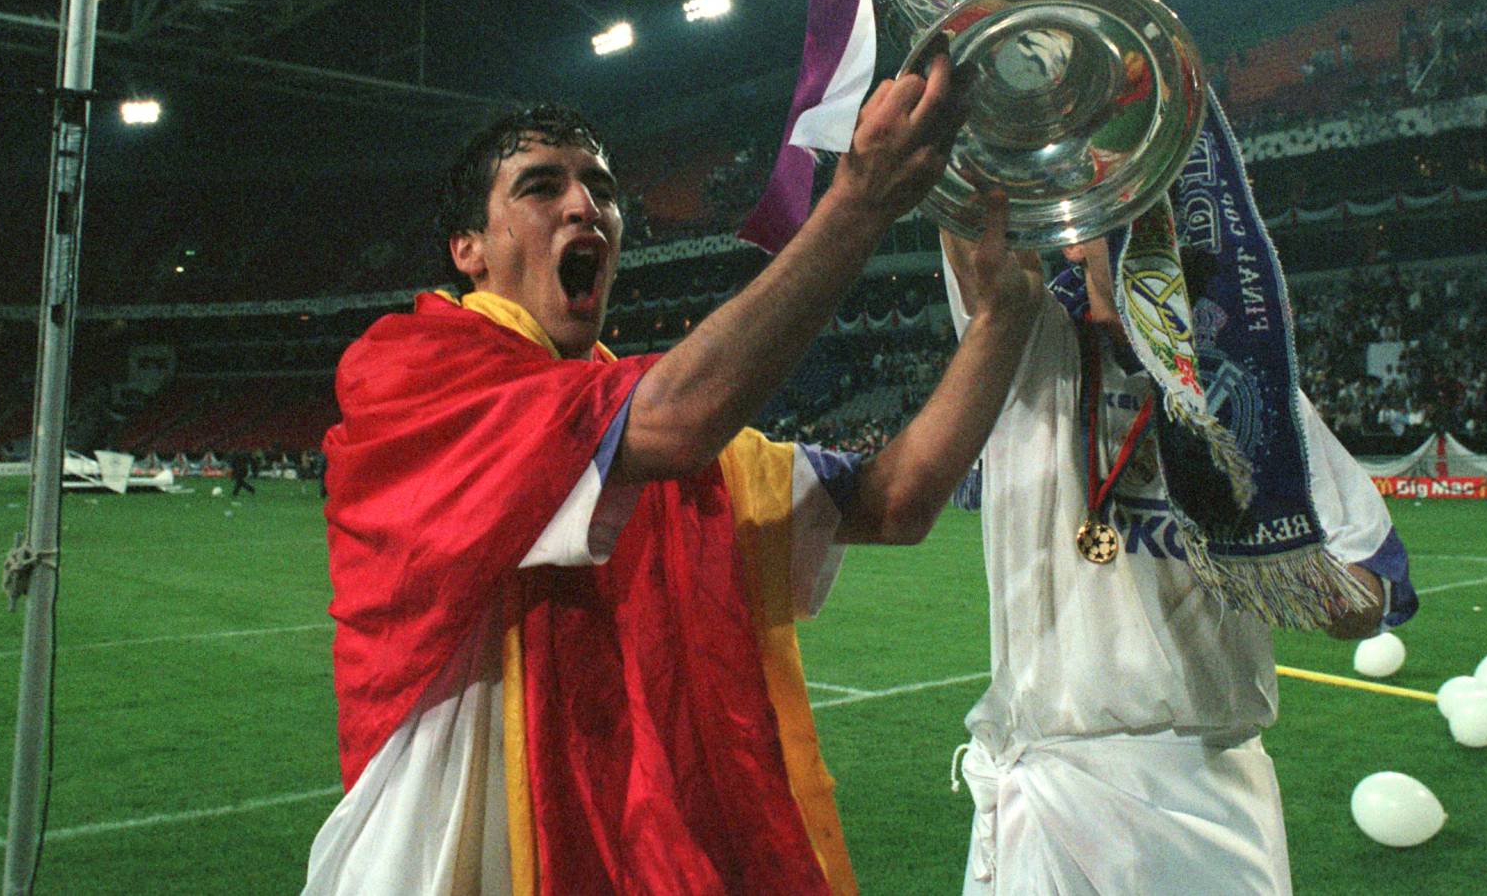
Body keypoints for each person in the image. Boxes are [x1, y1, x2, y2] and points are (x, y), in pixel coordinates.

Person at [304, 67, 1042, 895]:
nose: (585, 206)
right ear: (466, 250)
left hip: (640, 858)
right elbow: (673, 419)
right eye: (542, 187)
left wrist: (1000, 323)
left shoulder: (659, 433)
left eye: (602, 188)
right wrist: (858, 201)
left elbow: (892, 501)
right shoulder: (411, 373)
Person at [940, 233, 1416, 894]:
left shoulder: (1252, 387)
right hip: (1055, 790)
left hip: (1216, 793)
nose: (1151, 224)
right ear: (1075, 238)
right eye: (1126, 207)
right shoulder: (1028, 348)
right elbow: (973, 223)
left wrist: (1270, 558)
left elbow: (1370, 586)